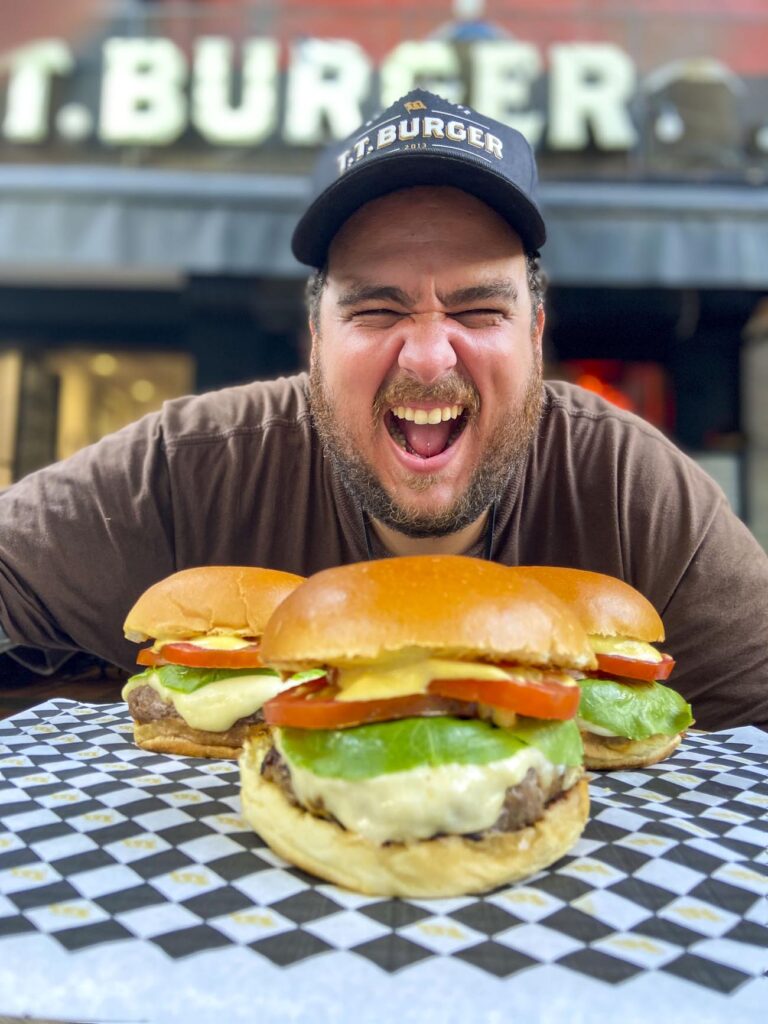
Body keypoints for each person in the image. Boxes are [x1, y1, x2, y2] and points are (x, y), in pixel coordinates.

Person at [0, 89, 766, 731]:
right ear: (315, 339)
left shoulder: (634, 489)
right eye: (374, 308)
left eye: (477, 309)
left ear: (535, 336)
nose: (428, 357)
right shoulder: (190, 464)